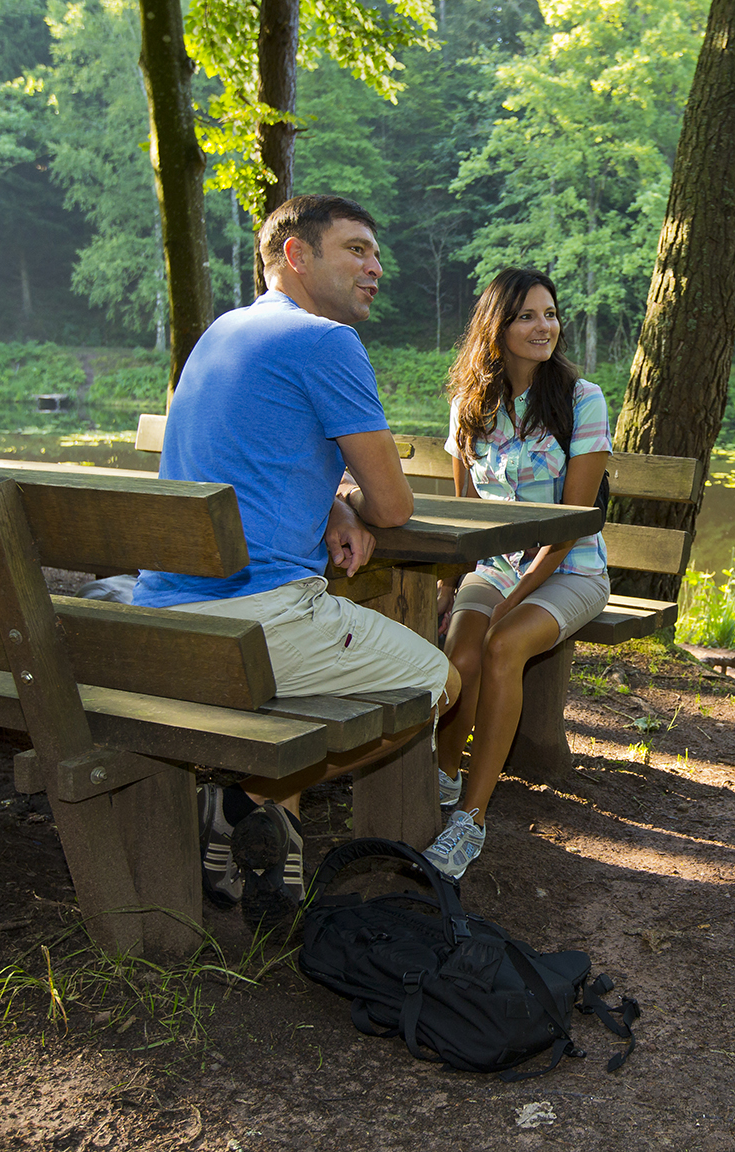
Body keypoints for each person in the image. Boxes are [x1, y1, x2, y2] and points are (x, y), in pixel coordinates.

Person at [132, 194, 461, 932]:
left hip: (161, 612)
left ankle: (263, 839)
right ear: (295, 255)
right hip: (257, 616)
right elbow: (397, 506)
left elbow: (260, 464)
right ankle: (243, 800)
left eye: (377, 254)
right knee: (440, 681)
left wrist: (334, 505)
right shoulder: (326, 343)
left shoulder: (221, 333)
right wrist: (359, 502)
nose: (375, 268)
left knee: (323, 679)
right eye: (355, 250)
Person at [425, 268, 612, 880]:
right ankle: (444, 778)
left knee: (502, 645)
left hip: (571, 569)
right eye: (528, 315)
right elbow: (467, 516)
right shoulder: (469, 404)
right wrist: (455, 589)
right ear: (497, 326)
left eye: (551, 314)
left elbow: (570, 526)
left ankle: (469, 822)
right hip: (495, 565)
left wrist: (508, 603)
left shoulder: (583, 400)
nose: (545, 327)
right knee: (461, 649)